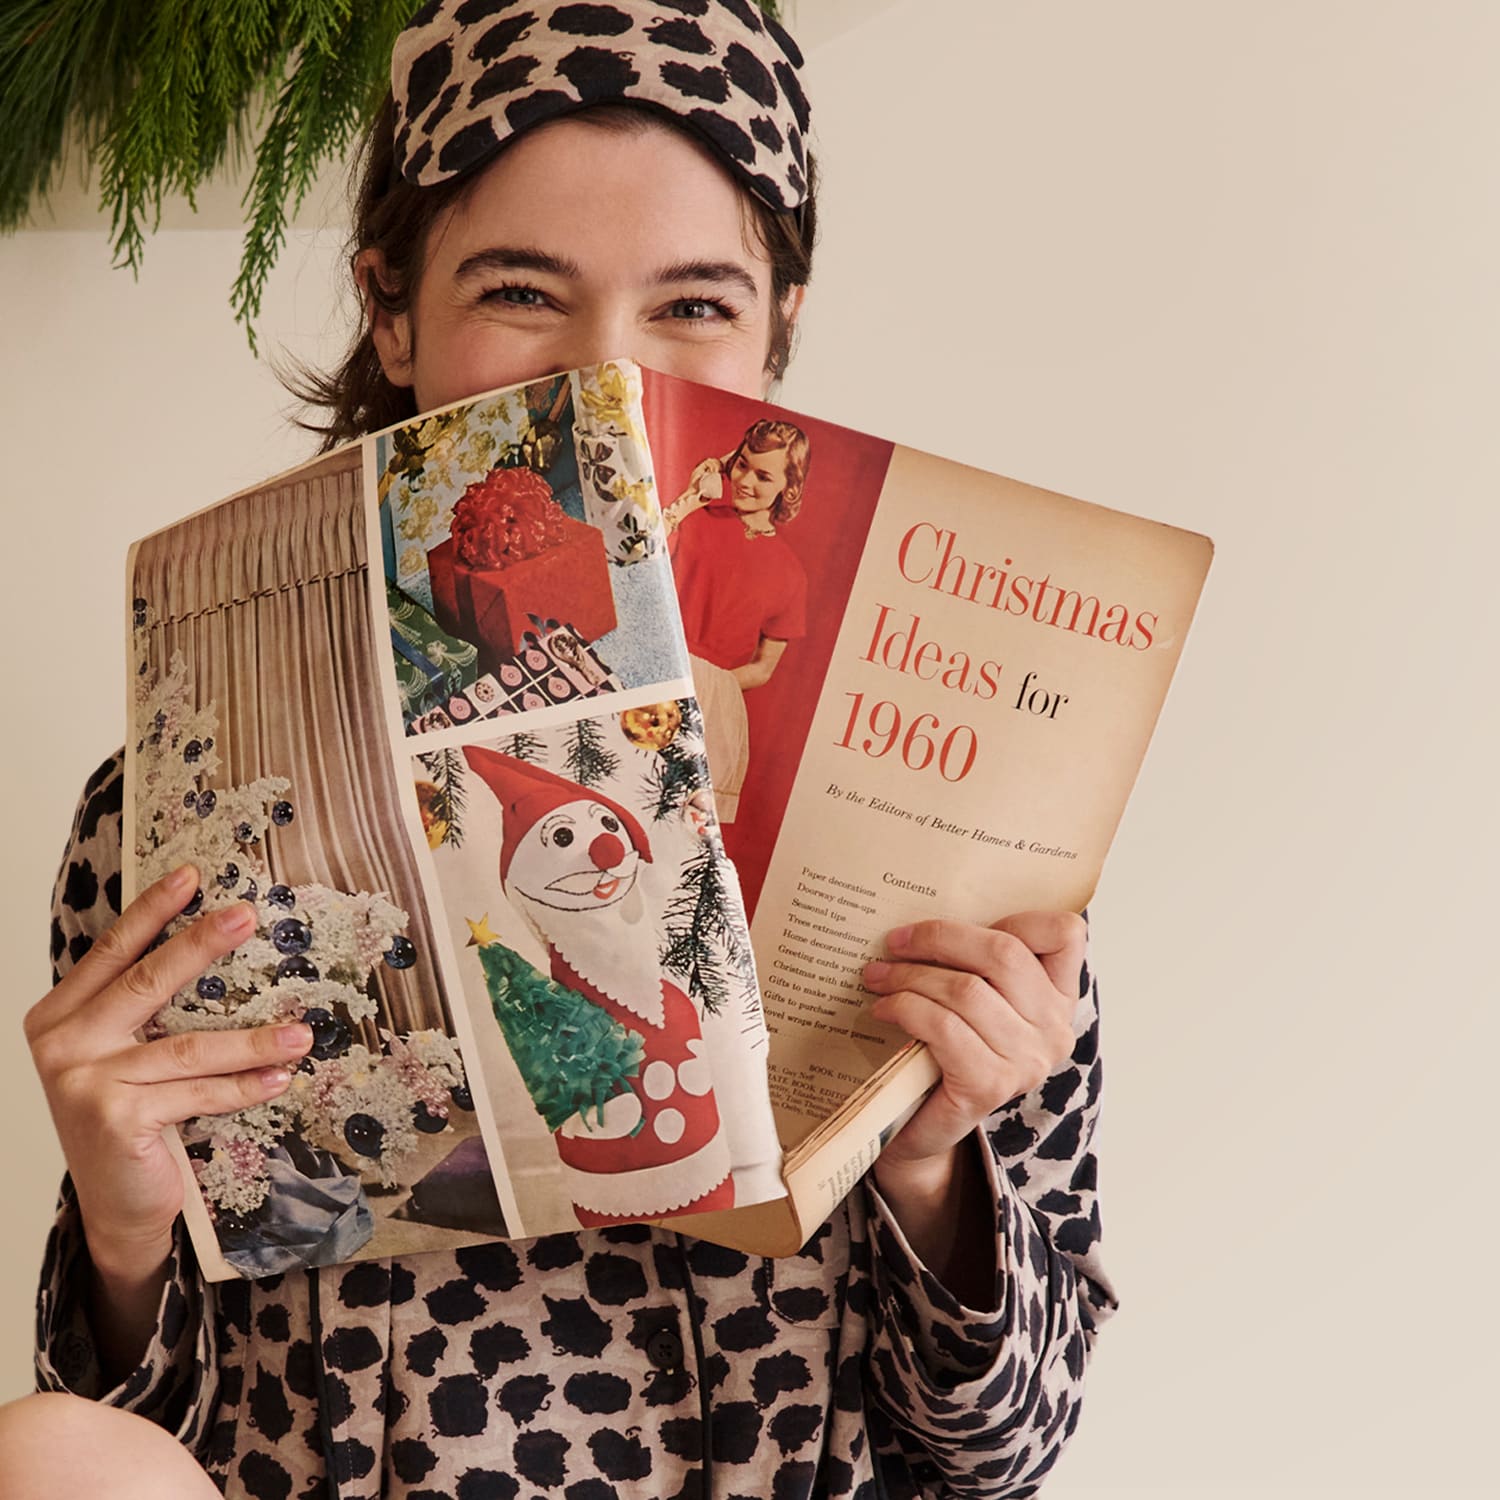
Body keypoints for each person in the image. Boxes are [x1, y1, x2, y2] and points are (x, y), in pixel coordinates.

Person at [5, 4, 1116, 1496]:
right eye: (523, 290)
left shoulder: (949, 801)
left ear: (783, 326)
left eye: (696, 305)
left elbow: (1007, 1458)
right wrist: (126, 1237)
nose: (605, 380)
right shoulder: (169, 804)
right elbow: (139, 1442)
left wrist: (929, 1165)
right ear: (391, 313)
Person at [666, 419, 812, 821]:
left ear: (789, 486)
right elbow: (639, 560)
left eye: (764, 475)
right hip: (656, 668)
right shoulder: (697, 517)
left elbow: (764, 667)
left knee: (678, 825)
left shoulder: (790, 574)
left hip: (711, 704)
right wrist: (693, 495)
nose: (745, 481)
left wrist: (712, 684)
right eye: (742, 464)